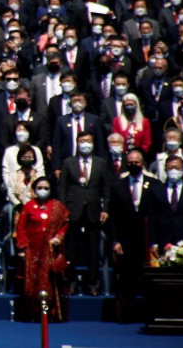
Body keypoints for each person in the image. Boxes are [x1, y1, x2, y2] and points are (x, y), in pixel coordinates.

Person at [58, 131, 112, 295]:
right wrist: (62, 209)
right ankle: (71, 281)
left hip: (94, 210)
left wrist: (105, 209)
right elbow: (62, 187)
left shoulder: (101, 163)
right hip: (73, 209)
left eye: (88, 140)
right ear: (77, 142)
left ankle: (92, 282)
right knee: (71, 249)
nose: (85, 143)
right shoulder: (69, 162)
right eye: (82, 141)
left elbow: (106, 189)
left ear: (93, 143)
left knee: (93, 249)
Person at [110, 149, 160, 322]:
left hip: (147, 238)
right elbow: (114, 216)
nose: (133, 165)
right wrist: (115, 240)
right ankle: (127, 312)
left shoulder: (154, 184)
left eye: (136, 162)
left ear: (143, 164)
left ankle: (150, 313)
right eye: (130, 162)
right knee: (126, 278)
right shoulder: (118, 185)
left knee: (148, 277)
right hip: (125, 240)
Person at [16, 177, 69, 321]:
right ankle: (34, 313)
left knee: (49, 281)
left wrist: (58, 238)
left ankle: (50, 313)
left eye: (46, 188)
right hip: (33, 251)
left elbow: (65, 223)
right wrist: (22, 247)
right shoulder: (28, 206)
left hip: (50, 250)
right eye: (40, 188)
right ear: (34, 189)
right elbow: (20, 228)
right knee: (33, 282)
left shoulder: (57, 206)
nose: (43, 191)